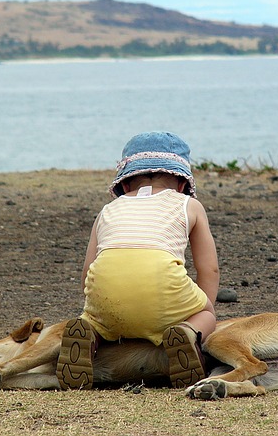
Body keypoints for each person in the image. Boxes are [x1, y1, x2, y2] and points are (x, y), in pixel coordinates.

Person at [56, 131, 219, 390]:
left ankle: (92, 333)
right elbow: (208, 268)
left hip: (106, 295)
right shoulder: (189, 205)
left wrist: (98, 307)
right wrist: (205, 306)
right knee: (205, 314)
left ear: (125, 184)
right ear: (181, 185)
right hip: (164, 290)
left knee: (95, 319)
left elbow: (89, 269)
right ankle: (188, 333)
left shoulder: (108, 210)